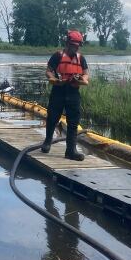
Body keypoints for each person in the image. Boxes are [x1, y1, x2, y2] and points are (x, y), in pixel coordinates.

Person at [41, 29, 89, 161]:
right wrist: (54, 79)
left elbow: (85, 73)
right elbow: (49, 71)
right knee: (53, 117)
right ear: (67, 43)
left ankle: (70, 151)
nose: (76, 47)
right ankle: (47, 141)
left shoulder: (81, 58)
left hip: (73, 92)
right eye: (74, 45)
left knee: (73, 123)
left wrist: (83, 79)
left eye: (78, 45)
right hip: (59, 91)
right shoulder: (57, 56)